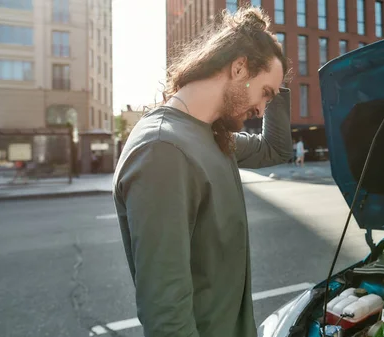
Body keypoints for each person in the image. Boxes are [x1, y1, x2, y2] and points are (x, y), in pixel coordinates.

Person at [112, 6, 292, 337]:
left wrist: (276, 82)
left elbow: (276, 149)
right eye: (265, 93)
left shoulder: (212, 134)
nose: (260, 108)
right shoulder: (163, 149)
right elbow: (166, 315)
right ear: (239, 68)